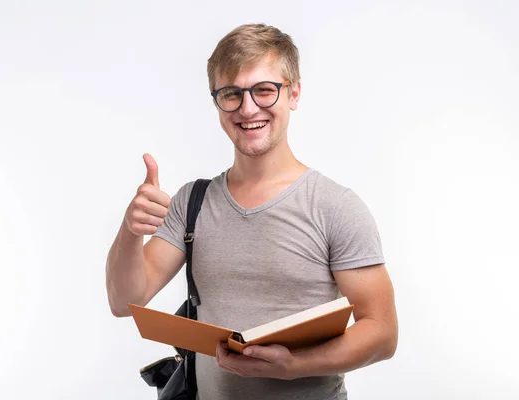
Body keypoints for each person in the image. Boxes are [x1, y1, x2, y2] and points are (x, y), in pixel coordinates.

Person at [106, 23, 398, 400]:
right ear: (217, 102)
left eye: (264, 90)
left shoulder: (335, 207)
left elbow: (382, 332)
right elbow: (123, 301)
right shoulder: (192, 203)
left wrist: (294, 366)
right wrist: (132, 229)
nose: (248, 109)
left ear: (293, 93)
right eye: (231, 94)